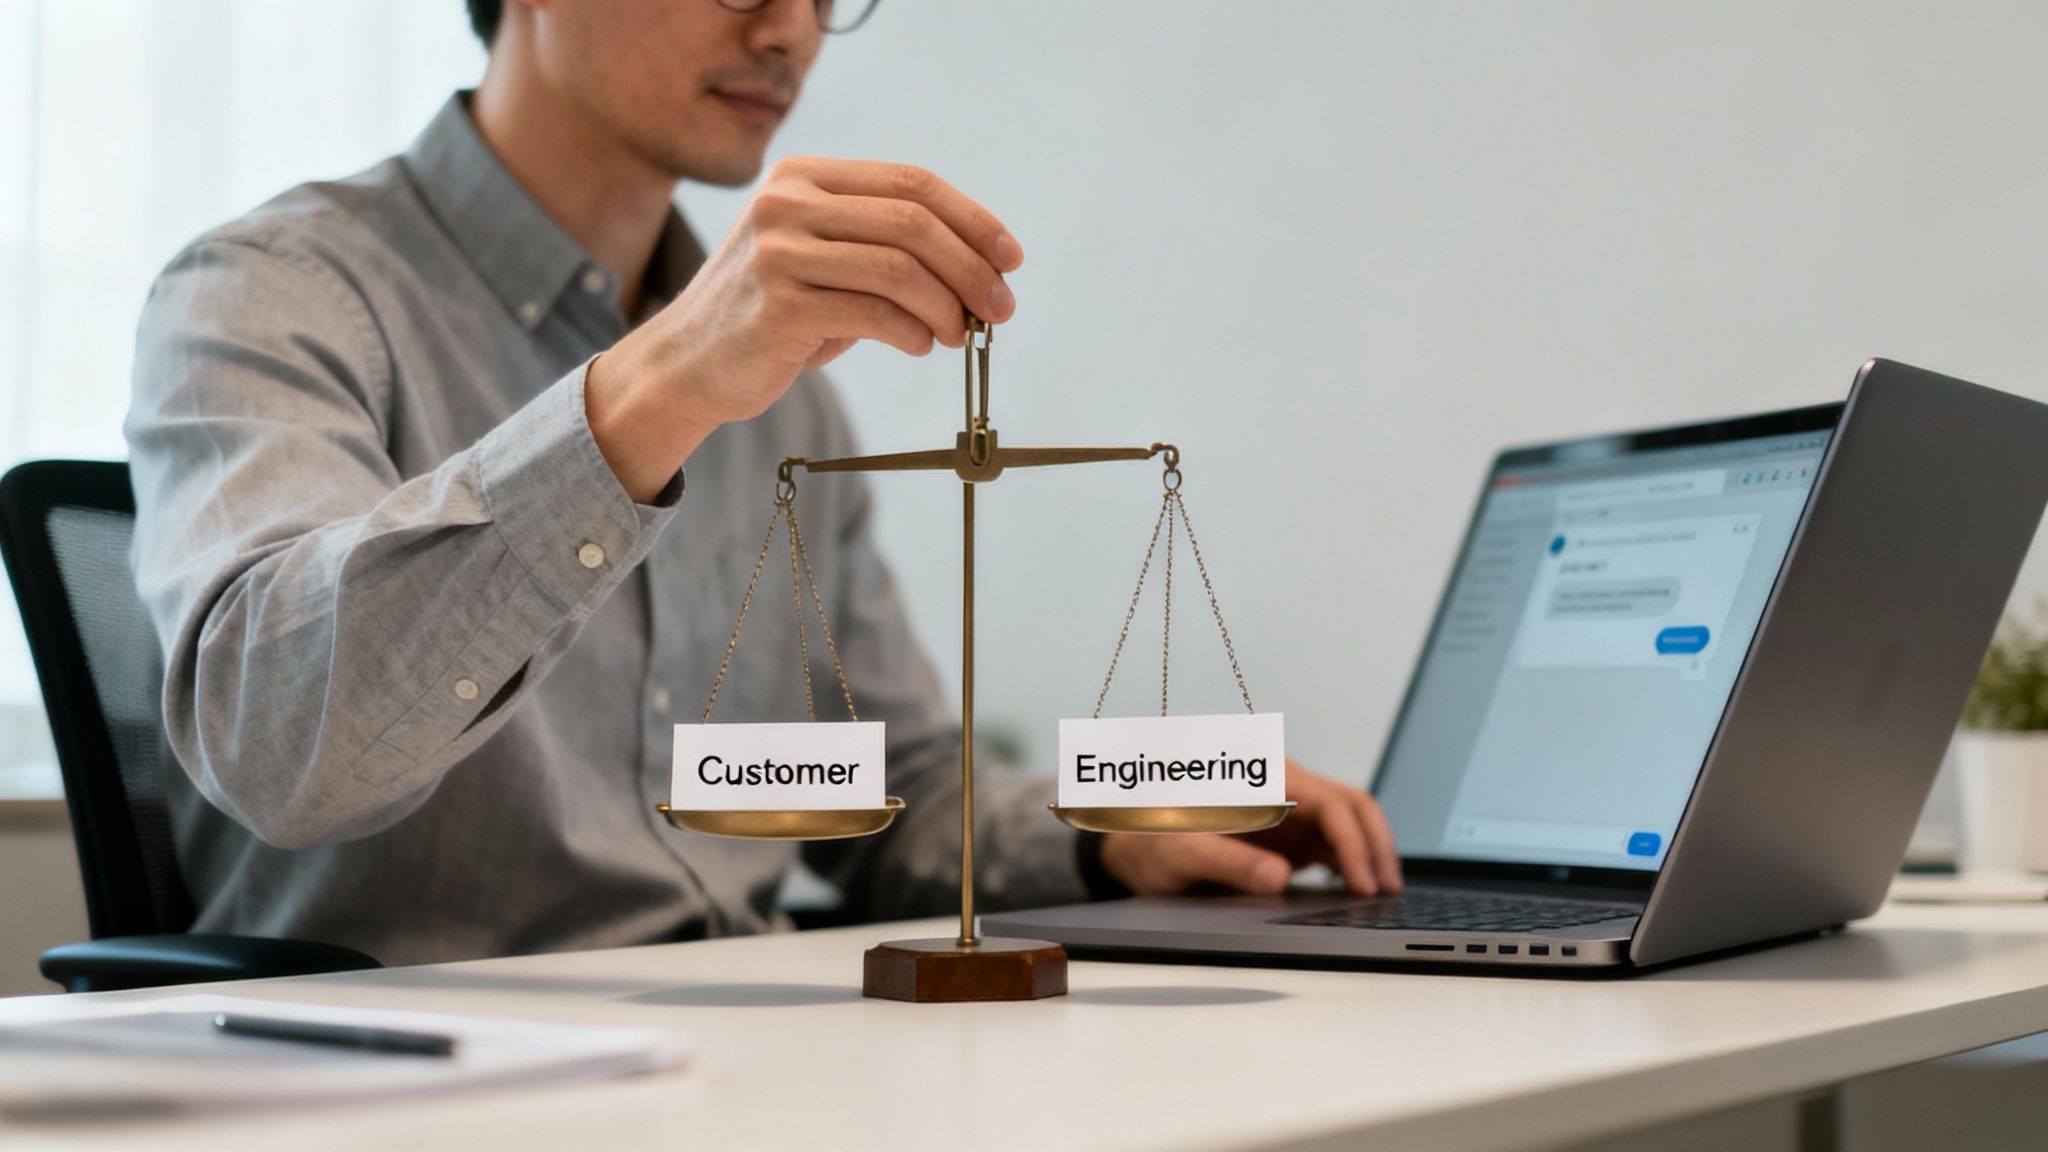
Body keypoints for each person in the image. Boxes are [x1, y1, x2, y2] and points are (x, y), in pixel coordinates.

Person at [124, 0, 1402, 967]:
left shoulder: (783, 386)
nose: (790, 28)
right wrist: (660, 384)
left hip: (747, 1051)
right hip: (415, 1070)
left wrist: (1111, 832)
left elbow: (903, 792)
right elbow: (274, 747)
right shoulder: (272, 294)